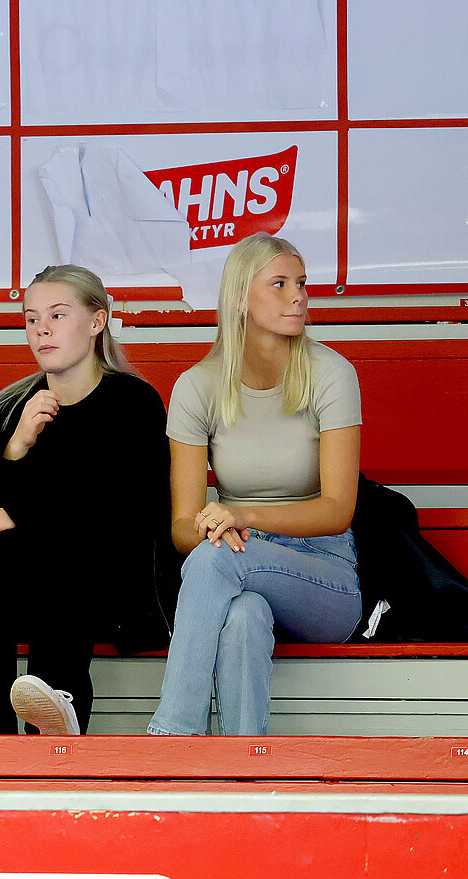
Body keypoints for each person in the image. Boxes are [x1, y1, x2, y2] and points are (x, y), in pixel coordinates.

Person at [0, 265, 169, 736]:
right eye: (30, 318)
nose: (41, 329)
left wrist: (21, 514)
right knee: (3, 545)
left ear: (97, 322)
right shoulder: (12, 408)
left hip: (113, 584)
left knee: (51, 543)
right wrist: (16, 447)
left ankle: (57, 695)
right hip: (22, 585)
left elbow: (125, 512)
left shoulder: (133, 401)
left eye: (58, 315)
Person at [148, 234, 362, 735]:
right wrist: (218, 531)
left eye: (302, 284)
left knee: (219, 560)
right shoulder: (198, 386)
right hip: (234, 559)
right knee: (243, 616)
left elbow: (337, 510)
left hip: (324, 573)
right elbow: (183, 528)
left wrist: (243, 517)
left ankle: (173, 734)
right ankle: (243, 767)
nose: (299, 296)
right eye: (281, 284)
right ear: (241, 296)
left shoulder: (332, 374)